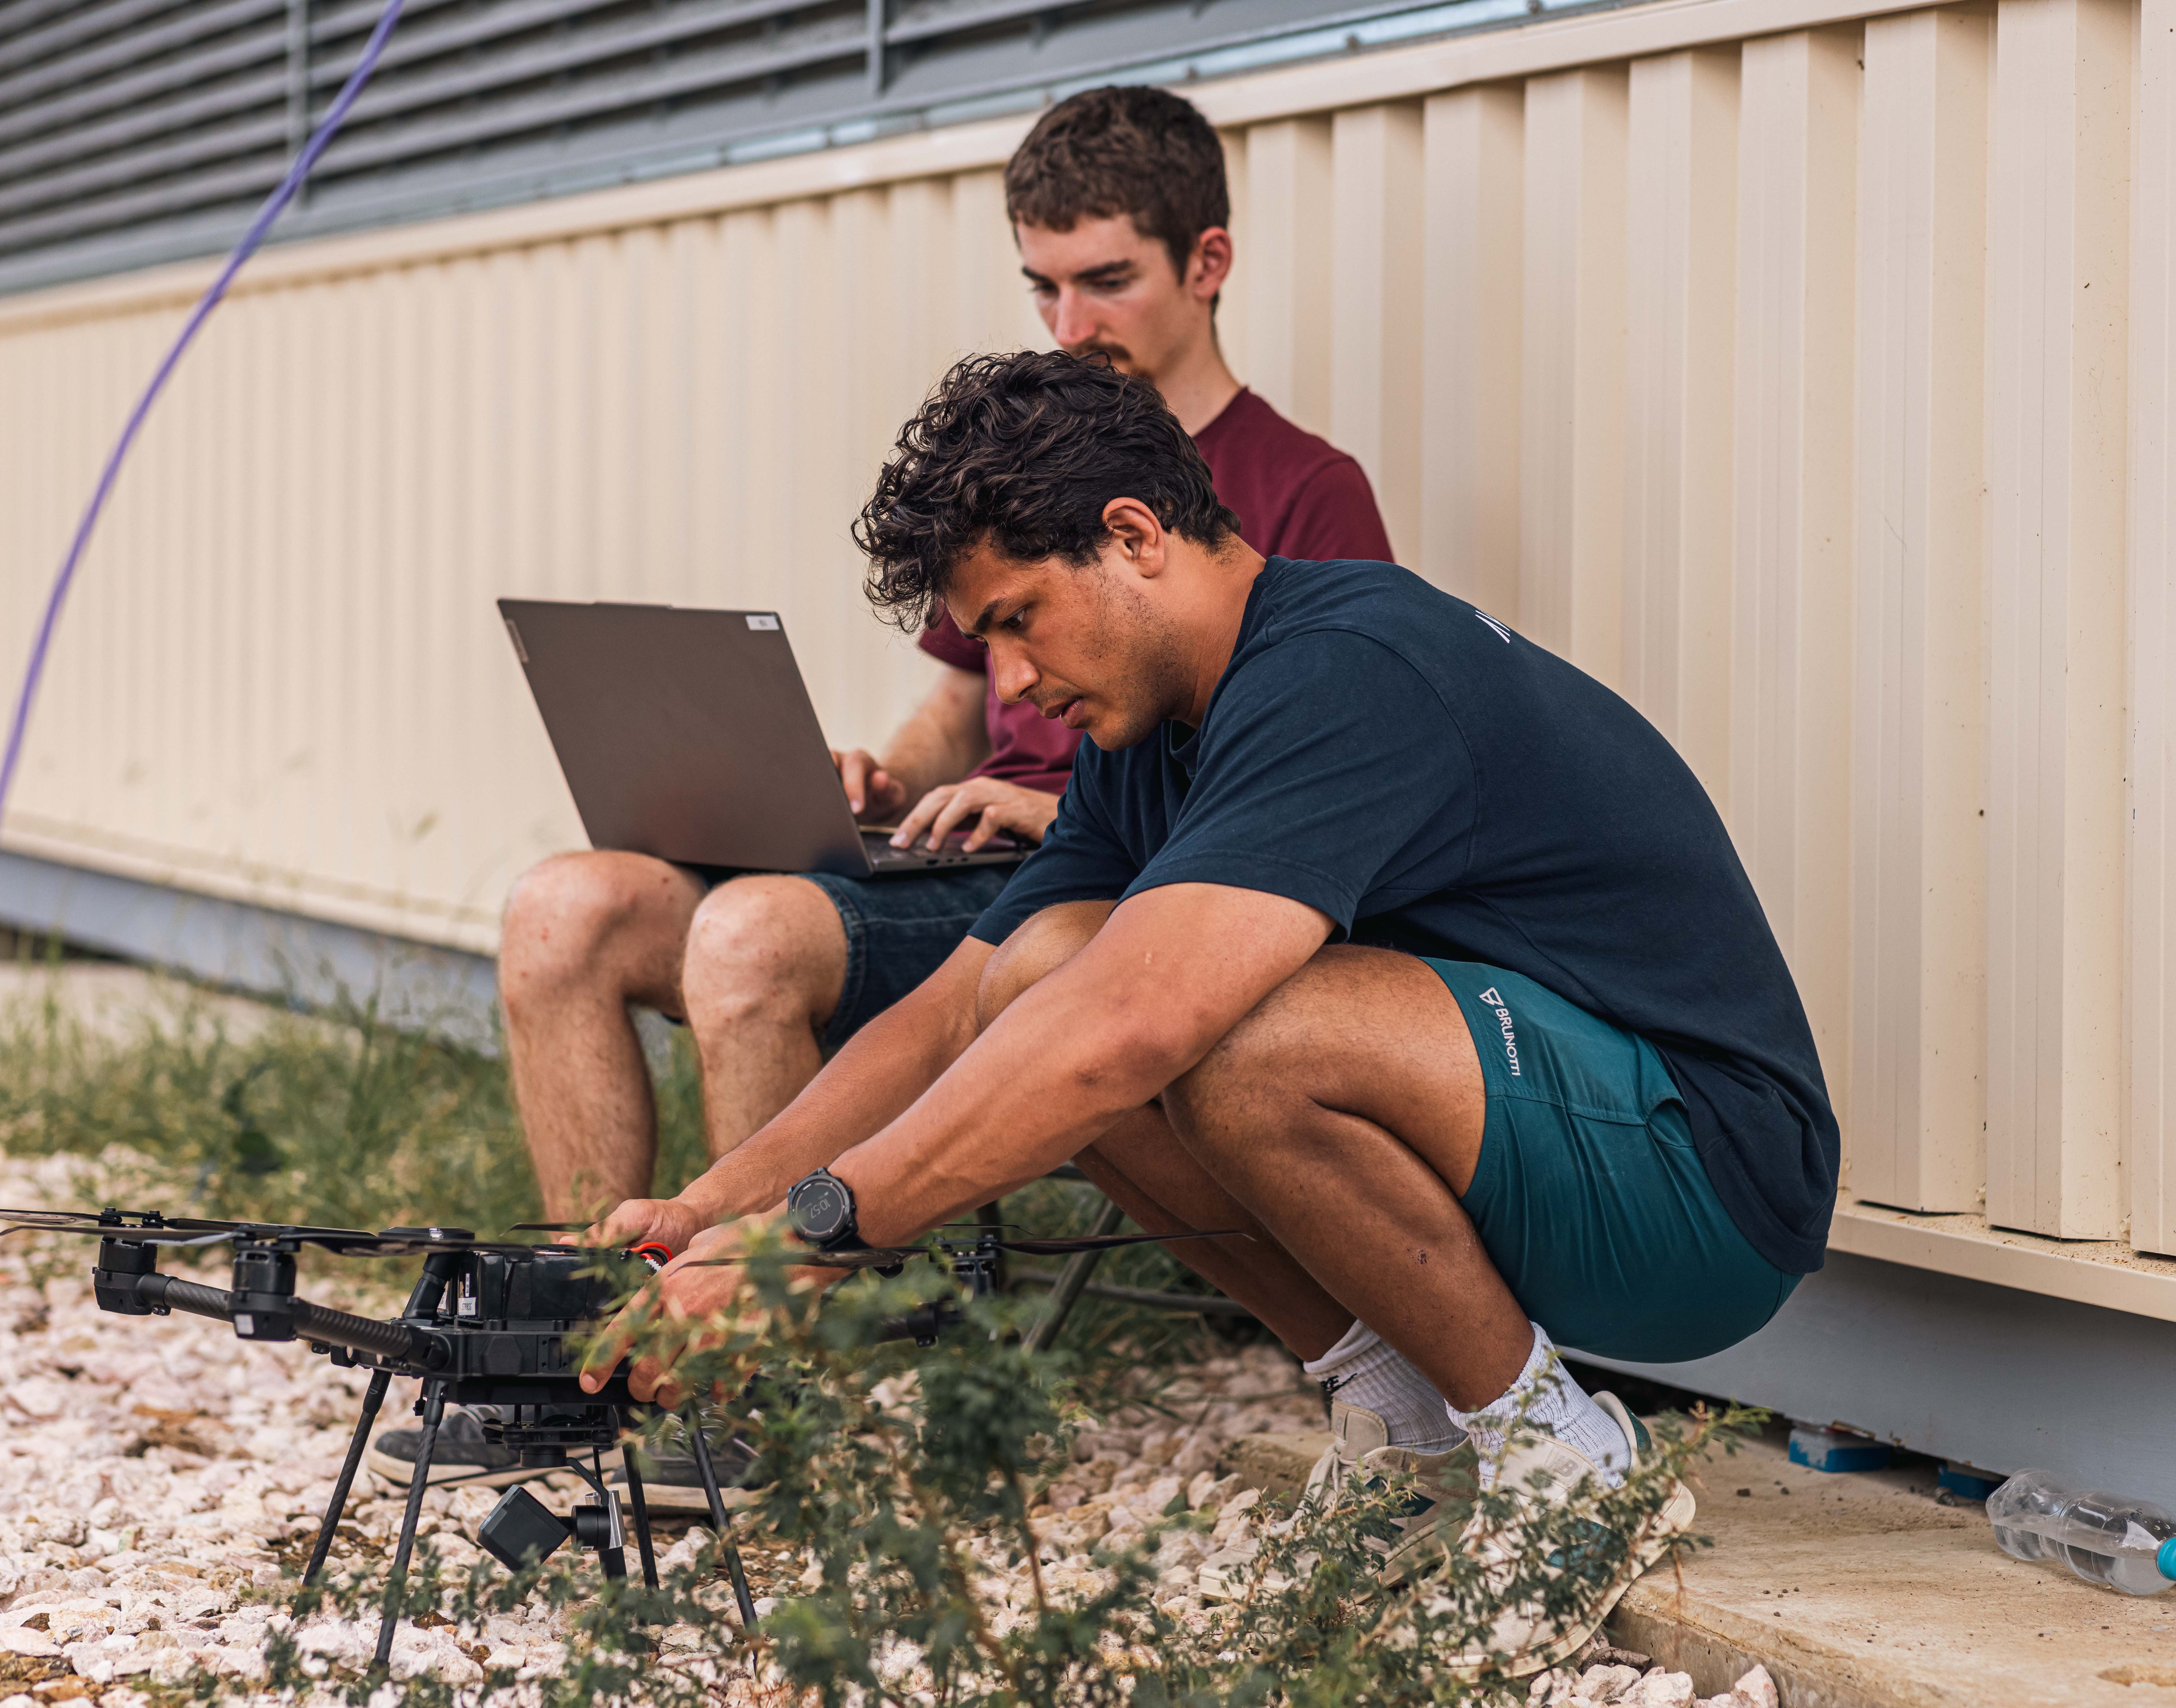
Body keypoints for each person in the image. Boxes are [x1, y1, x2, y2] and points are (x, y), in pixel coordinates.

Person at [579, 351, 1839, 1668]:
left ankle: (1566, 1461)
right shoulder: (1144, 737)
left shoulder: (1344, 666)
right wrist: (716, 1212)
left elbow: (1133, 1028)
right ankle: (1405, 1425)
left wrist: (805, 1249)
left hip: (1699, 1179)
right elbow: (959, 1011)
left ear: (1131, 538)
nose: (1005, 685)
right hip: (1533, 1145)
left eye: (1016, 619)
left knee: (1202, 1032)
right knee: (1037, 985)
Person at [376, 84, 1390, 1495]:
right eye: (1041, 287)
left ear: (1203, 265)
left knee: (744, 935)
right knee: (566, 906)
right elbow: (960, 702)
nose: (1070, 324)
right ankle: (586, 1342)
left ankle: (738, 1387)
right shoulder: (1032, 452)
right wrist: (880, 772)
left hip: (1080, 878)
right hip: (943, 846)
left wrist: (1048, 805)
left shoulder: (1299, 488)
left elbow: (1306, 753)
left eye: (1106, 281)